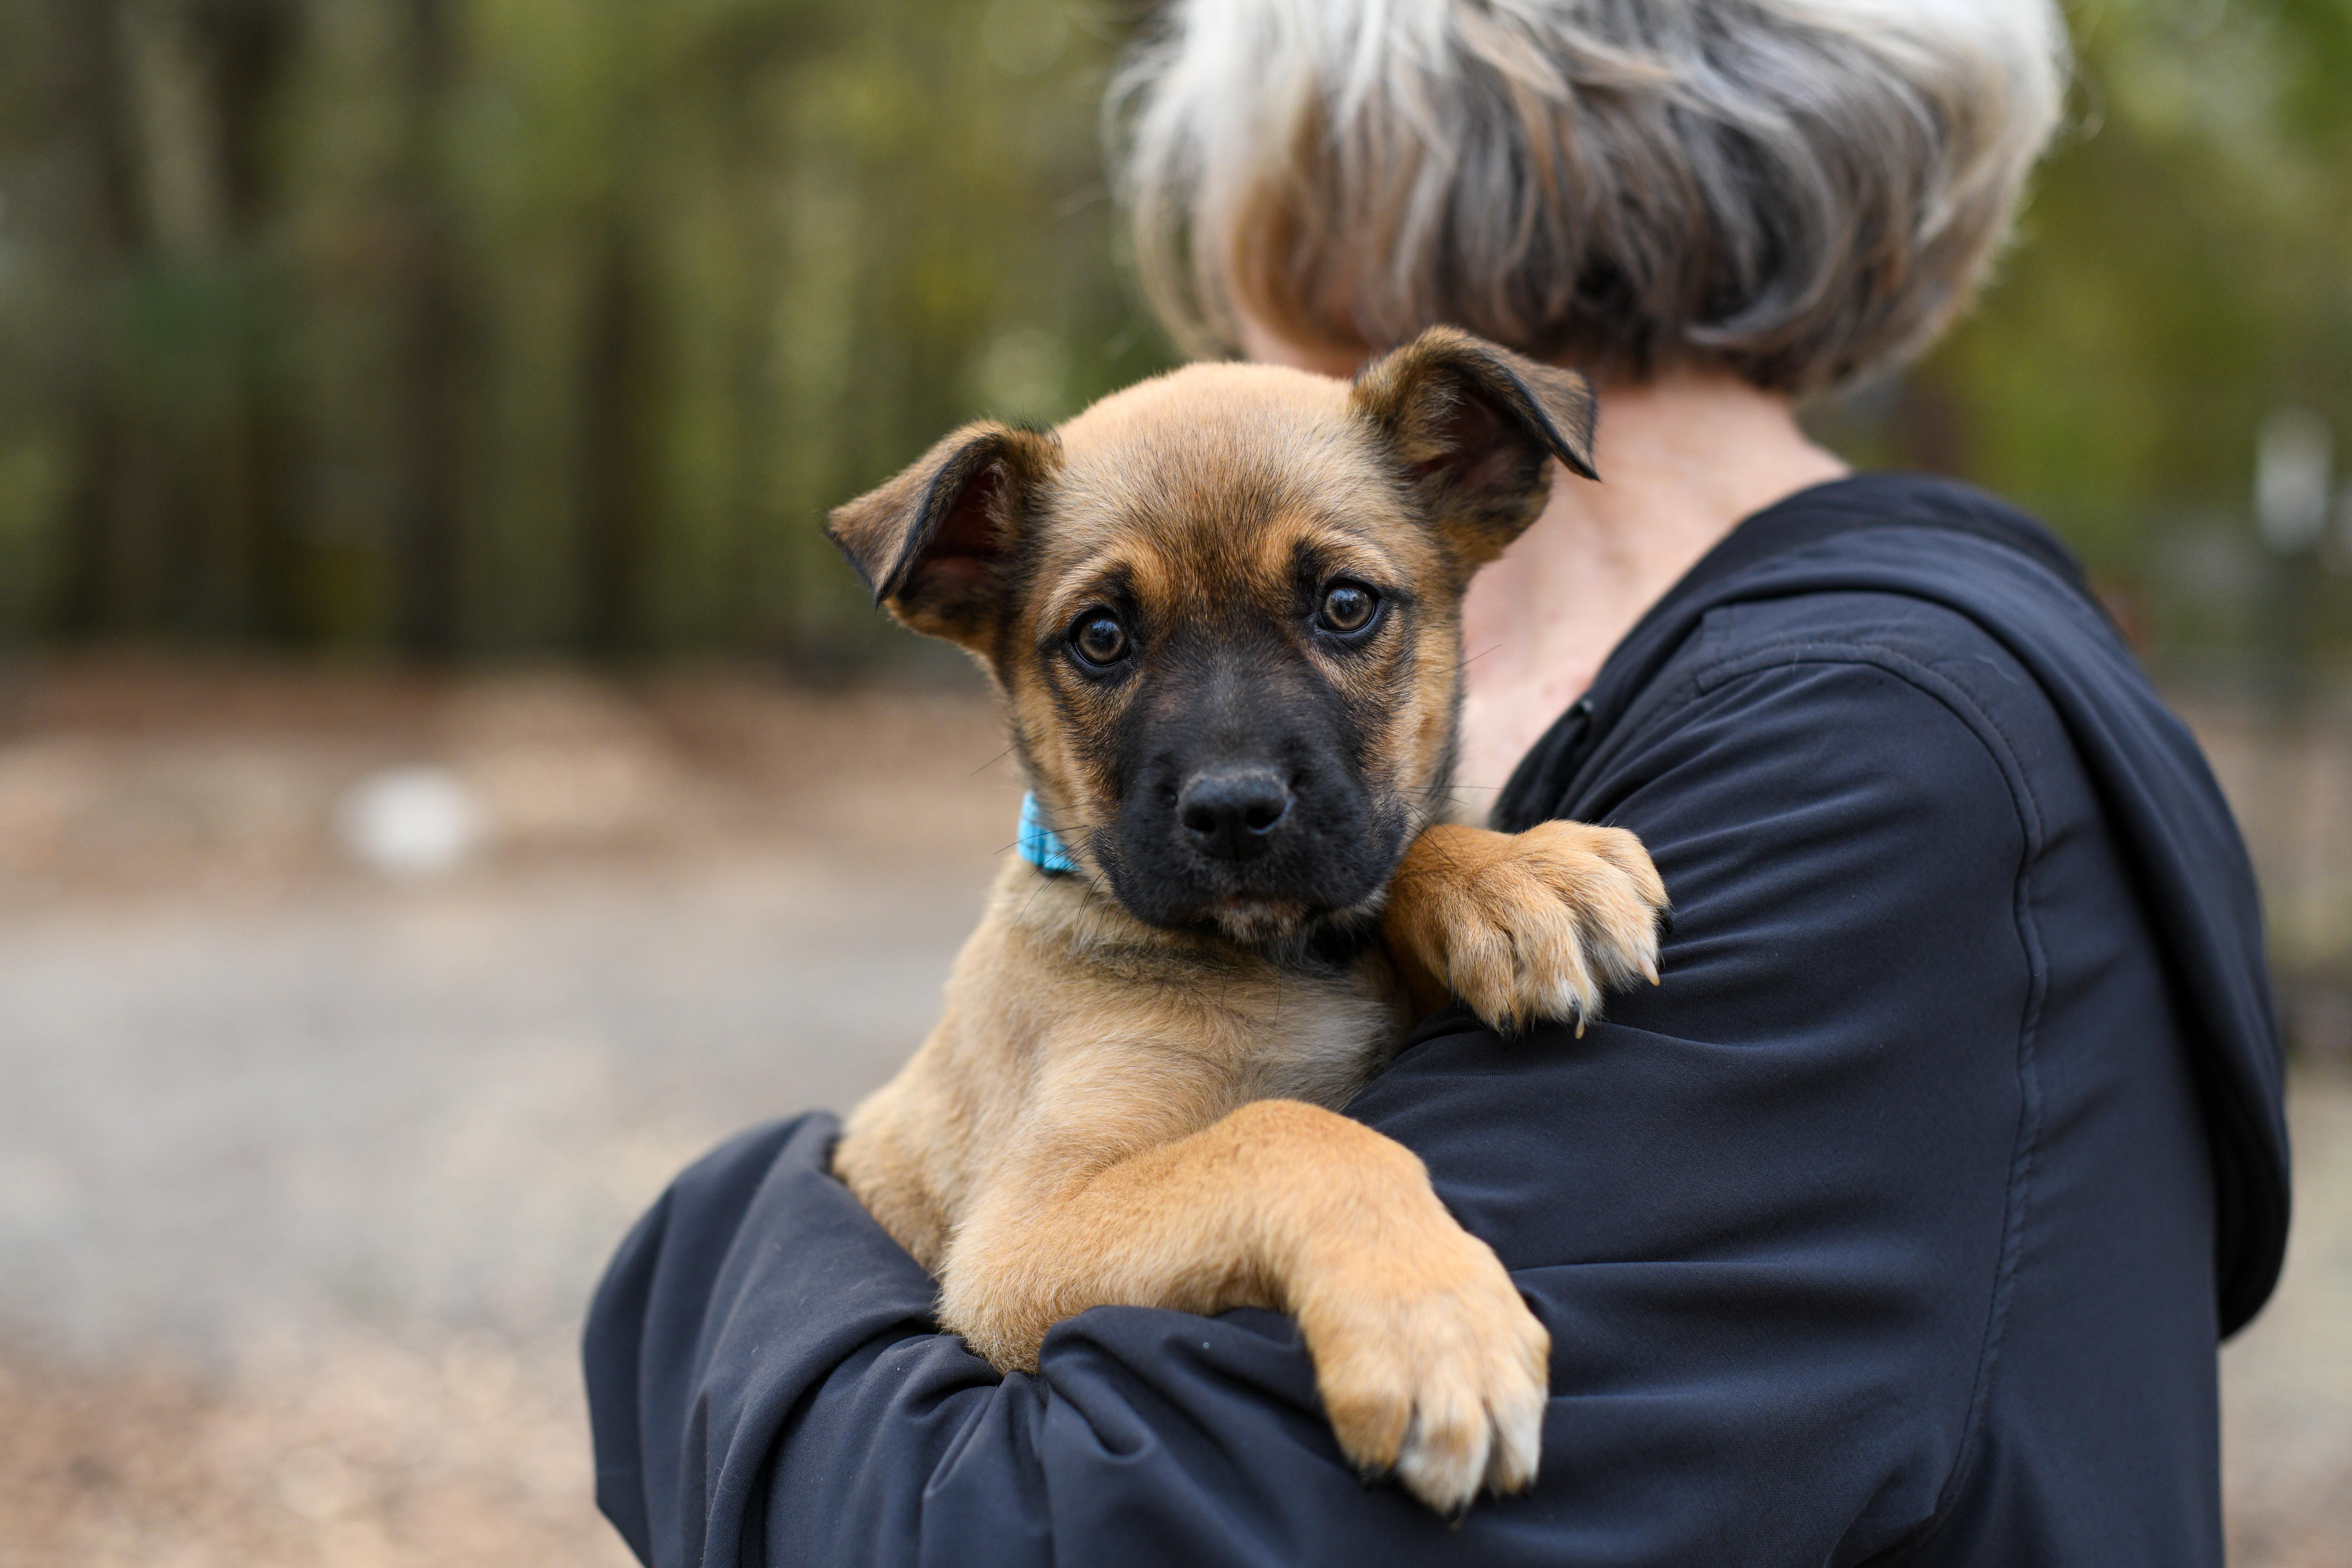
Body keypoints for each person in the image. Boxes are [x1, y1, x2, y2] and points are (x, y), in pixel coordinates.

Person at [584, 2, 2290, 1562]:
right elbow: (1024, 1270)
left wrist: (711, 1267)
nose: (1232, 771)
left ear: (1341, 241)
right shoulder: (1107, 952)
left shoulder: (1869, 769)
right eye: (1109, 641)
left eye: (1338, 610)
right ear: (966, 594)